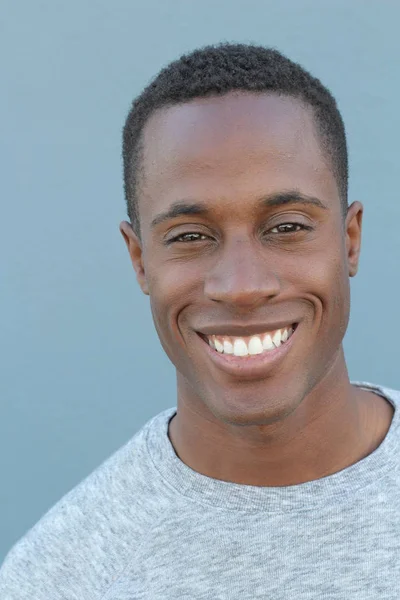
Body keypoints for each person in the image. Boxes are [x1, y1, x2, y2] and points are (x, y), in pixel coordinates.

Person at [1, 42, 399, 599]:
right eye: (190, 236)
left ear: (350, 240)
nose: (241, 287)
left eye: (286, 227)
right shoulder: (59, 579)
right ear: (140, 260)